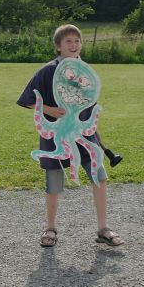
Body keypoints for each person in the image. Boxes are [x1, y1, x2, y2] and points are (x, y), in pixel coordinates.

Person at [16, 24, 124, 248]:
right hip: (57, 135)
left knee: (99, 177)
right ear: (58, 46)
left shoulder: (85, 71)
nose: (73, 45)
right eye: (68, 41)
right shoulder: (47, 71)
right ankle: (51, 227)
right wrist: (50, 110)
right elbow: (27, 99)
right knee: (54, 182)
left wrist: (93, 124)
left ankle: (103, 228)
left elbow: (89, 104)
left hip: (85, 134)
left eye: (77, 41)